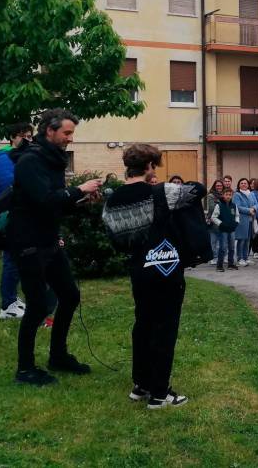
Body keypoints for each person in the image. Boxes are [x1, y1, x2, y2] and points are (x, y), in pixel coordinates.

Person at [101, 144, 204, 409]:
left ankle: (141, 383)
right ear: (150, 167)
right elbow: (197, 191)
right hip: (165, 267)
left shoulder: (112, 199)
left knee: (143, 324)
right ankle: (160, 393)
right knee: (165, 328)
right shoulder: (161, 192)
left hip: (138, 269)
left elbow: (114, 234)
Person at [7, 108, 102, 385]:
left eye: (72, 133)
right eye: (67, 133)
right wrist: (79, 189)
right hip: (28, 242)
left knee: (69, 296)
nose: (70, 139)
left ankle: (57, 356)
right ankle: (25, 369)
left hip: (48, 240)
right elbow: (45, 199)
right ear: (49, 130)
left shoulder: (52, 160)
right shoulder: (30, 160)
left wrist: (82, 201)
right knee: (37, 306)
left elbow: (57, 205)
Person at [0, 122, 33, 320]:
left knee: (16, 260)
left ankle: (12, 300)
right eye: (23, 136)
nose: (27, 140)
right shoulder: (4, 158)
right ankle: (6, 306)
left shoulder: (22, 157)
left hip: (19, 214)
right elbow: (11, 183)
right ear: (13, 138)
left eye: (30, 136)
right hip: (7, 215)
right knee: (11, 261)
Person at [209, 188, 239, 272]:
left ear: (232, 195)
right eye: (226, 194)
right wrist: (221, 223)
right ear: (223, 195)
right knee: (223, 247)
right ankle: (219, 265)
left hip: (232, 230)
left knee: (232, 247)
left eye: (230, 195)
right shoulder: (219, 205)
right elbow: (213, 217)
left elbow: (237, 216)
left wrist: (236, 223)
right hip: (223, 230)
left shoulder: (234, 205)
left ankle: (230, 264)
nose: (228, 196)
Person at [233, 178, 256, 267]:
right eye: (241, 183)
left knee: (248, 240)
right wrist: (248, 210)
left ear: (248, 185)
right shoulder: (237, 195)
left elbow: (255, 204)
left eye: (245, 183)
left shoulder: (251, 194)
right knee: (241, 240)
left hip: (251, 220)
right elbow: (237, 207)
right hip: (242, 220)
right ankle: (240, 258)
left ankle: (245, 258)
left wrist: (254, 208)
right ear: (239, 185)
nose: (243, 184)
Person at [205, 179, 225, 264]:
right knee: (213, 241)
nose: (219, 187)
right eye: (217, 186)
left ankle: (221, 257)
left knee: (222, 241)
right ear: (214, 186)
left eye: (220, 186)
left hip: (223, 221)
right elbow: (212, 208)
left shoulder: (225, 194)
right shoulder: (211, 195)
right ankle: (213, 257)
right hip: (213, 221)